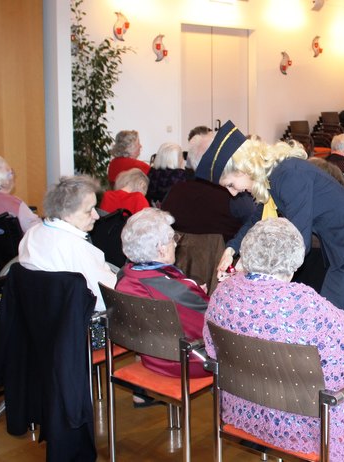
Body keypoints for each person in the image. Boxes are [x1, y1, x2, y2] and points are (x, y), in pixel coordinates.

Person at [203, 218, 344, 461]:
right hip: (303, 422)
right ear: (293, 262)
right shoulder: (301, 302)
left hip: (247, 409)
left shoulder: (224, 292)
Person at [198, 120, 344, 316]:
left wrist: (251, 269)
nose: (233, 193)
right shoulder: (275, 175)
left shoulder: (290, 175)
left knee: (340, 330)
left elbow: (299, 241)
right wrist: (232, 249)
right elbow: (257, 218)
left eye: (231, 184)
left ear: (244, 168)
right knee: (334, 326)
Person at [115, 208, 210, 378]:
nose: (175, 243)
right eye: (172, 238)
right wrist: (197, 295)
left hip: (150, 357)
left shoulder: (125, 276)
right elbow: (213, 322)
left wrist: (191, 292)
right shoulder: (176, 290)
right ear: (161, 249)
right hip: (187, 361)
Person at [18, 175, 117, 312]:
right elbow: (108, 299)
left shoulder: (31, 234)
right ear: (67, 214)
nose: (97, 216)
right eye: (89, 211)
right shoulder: (76, 248)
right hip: (75, 320)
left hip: (37, 316)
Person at [161, 131, 256, 242]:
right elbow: (256, 224)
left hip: (181, 257)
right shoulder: (234, 194)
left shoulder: (175, 191)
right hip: (228, 257)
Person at [0, 155, 41, 232]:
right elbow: (36, 231)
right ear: (4, 180)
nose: (13, 176)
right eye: (11, 172)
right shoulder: (14, 203)